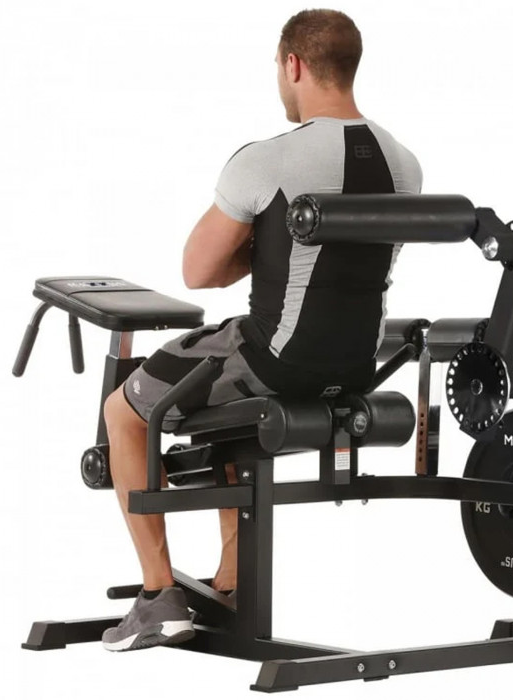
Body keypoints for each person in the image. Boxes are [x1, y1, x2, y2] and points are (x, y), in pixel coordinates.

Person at [101, 8, 423, 652]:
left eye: (278, 67)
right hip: (356, 366)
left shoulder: (267, 160)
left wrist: (263, 247)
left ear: (293, 64)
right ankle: (231, 584)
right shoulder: (405, 164)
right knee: (228, 417)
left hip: (273, 359)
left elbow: (198, 270)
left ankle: (158, 596)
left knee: (123, 412)